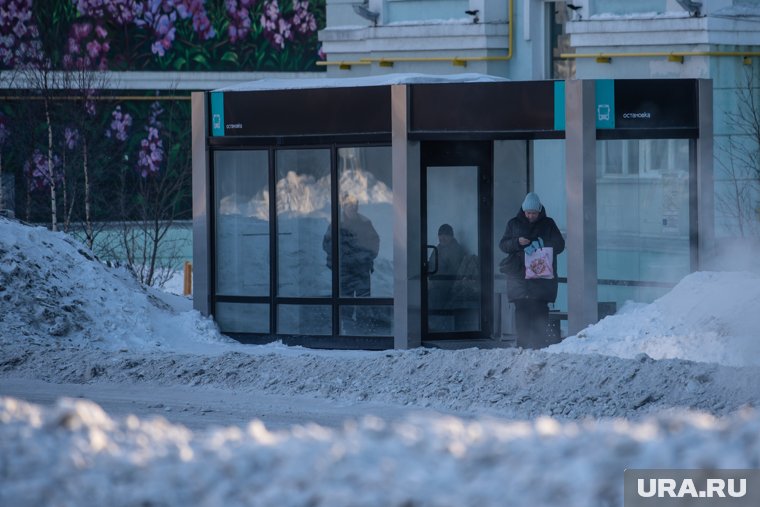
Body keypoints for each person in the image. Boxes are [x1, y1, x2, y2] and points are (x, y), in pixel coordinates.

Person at [499, 192, 565, 349]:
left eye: (534, 213)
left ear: (539, 211)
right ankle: (522, 345)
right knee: (521, 311)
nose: (530, 216)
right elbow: (503, 245)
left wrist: (543, 243)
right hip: (519, 278)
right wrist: (517, 242)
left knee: (540, 311)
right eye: (528, 213)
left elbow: (560, 245)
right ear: (523, 210)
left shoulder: (548, 224)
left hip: (541, 279)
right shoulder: (513, 223)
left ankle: (539, 346)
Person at [323, 194, 380, 332]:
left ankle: (363, 329)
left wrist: (363, 258)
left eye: (355, 204)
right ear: (344, 206)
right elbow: (327, 244)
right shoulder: (336, 224)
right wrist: (344, 257)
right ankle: (347, 331)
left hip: (361, 269)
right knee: (345, 302)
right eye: (349, 204)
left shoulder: (365, 223)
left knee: (363, 302)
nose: (353, 207)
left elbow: (374, 244)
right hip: (344, 270)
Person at [427, 224, 467, 314]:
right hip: (434, 281)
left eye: (445, 235)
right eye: (440, 235)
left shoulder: (455, 250)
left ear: (451, 236)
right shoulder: (439, 247)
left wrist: (434, 283)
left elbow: (453, 271)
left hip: (445, 284)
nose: (442, 237)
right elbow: (431, 263)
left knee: (433, 298)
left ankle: (435, 320)